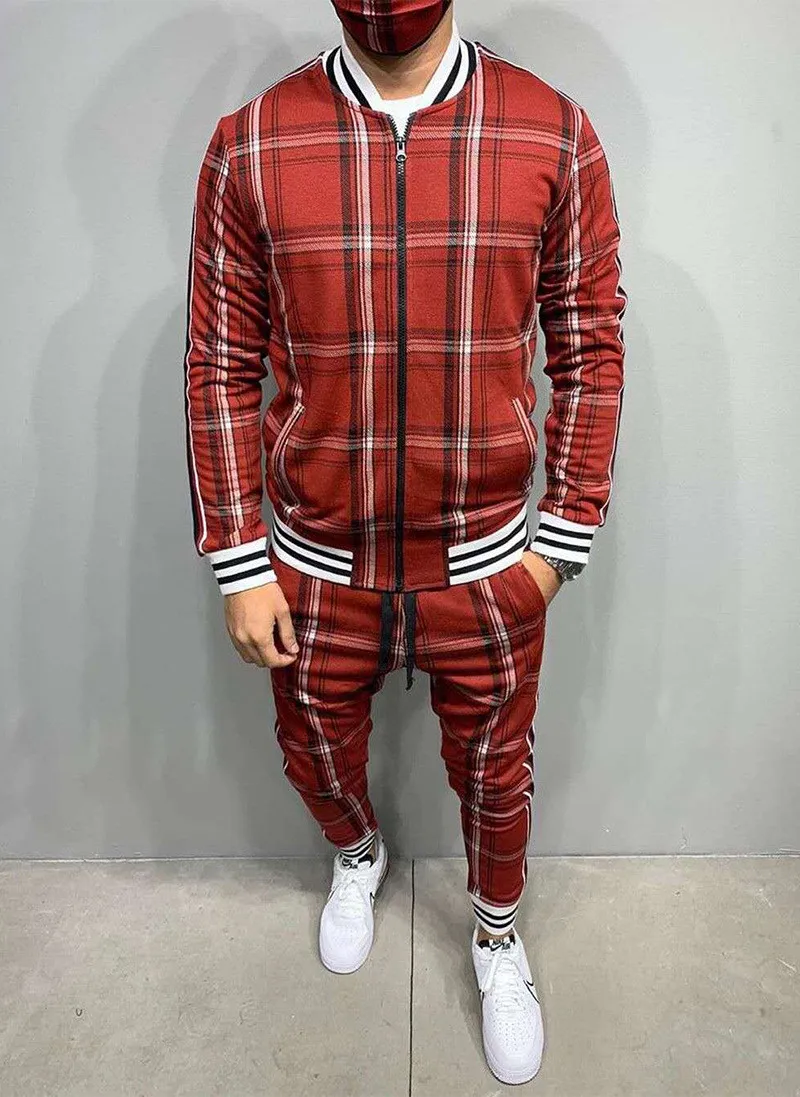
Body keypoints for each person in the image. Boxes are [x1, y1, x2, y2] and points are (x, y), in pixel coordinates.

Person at [184, 0, 627, 1084]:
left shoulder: (550, 130)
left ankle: (495, 936)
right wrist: (239, 559)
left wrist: (557, 546)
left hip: (487, 563)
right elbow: (220, 362)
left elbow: (587, 344)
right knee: (312, 749)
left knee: (496, 779)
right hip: (312, 562)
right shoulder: (252, 143)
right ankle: (358, 852)